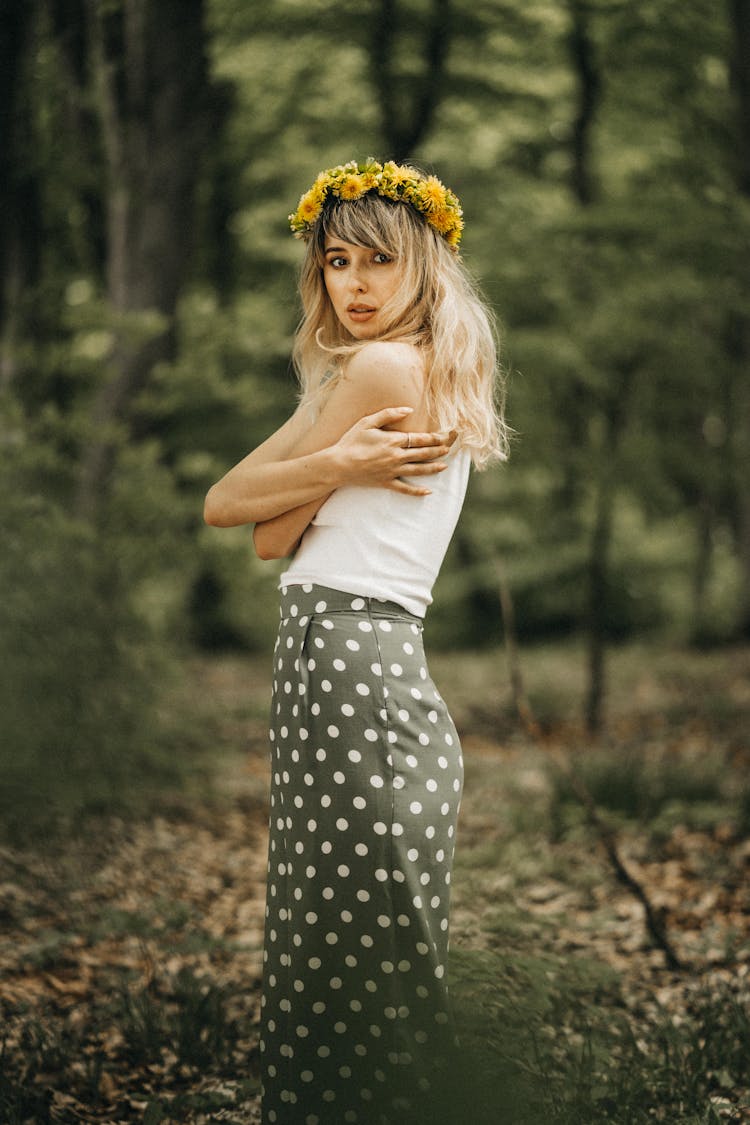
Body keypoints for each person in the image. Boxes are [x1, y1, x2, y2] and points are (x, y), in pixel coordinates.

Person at [204, 158, 508, 1125]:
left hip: (345, 659)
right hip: (376, 669)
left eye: (379, 259)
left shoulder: (380, 369)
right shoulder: (411, 368)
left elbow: (258, 524)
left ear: (423, 264)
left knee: (336, 942)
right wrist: (333, 458)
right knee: (372, 940)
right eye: (337, 260)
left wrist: (318, 466)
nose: (356, 283)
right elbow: (242, 513)